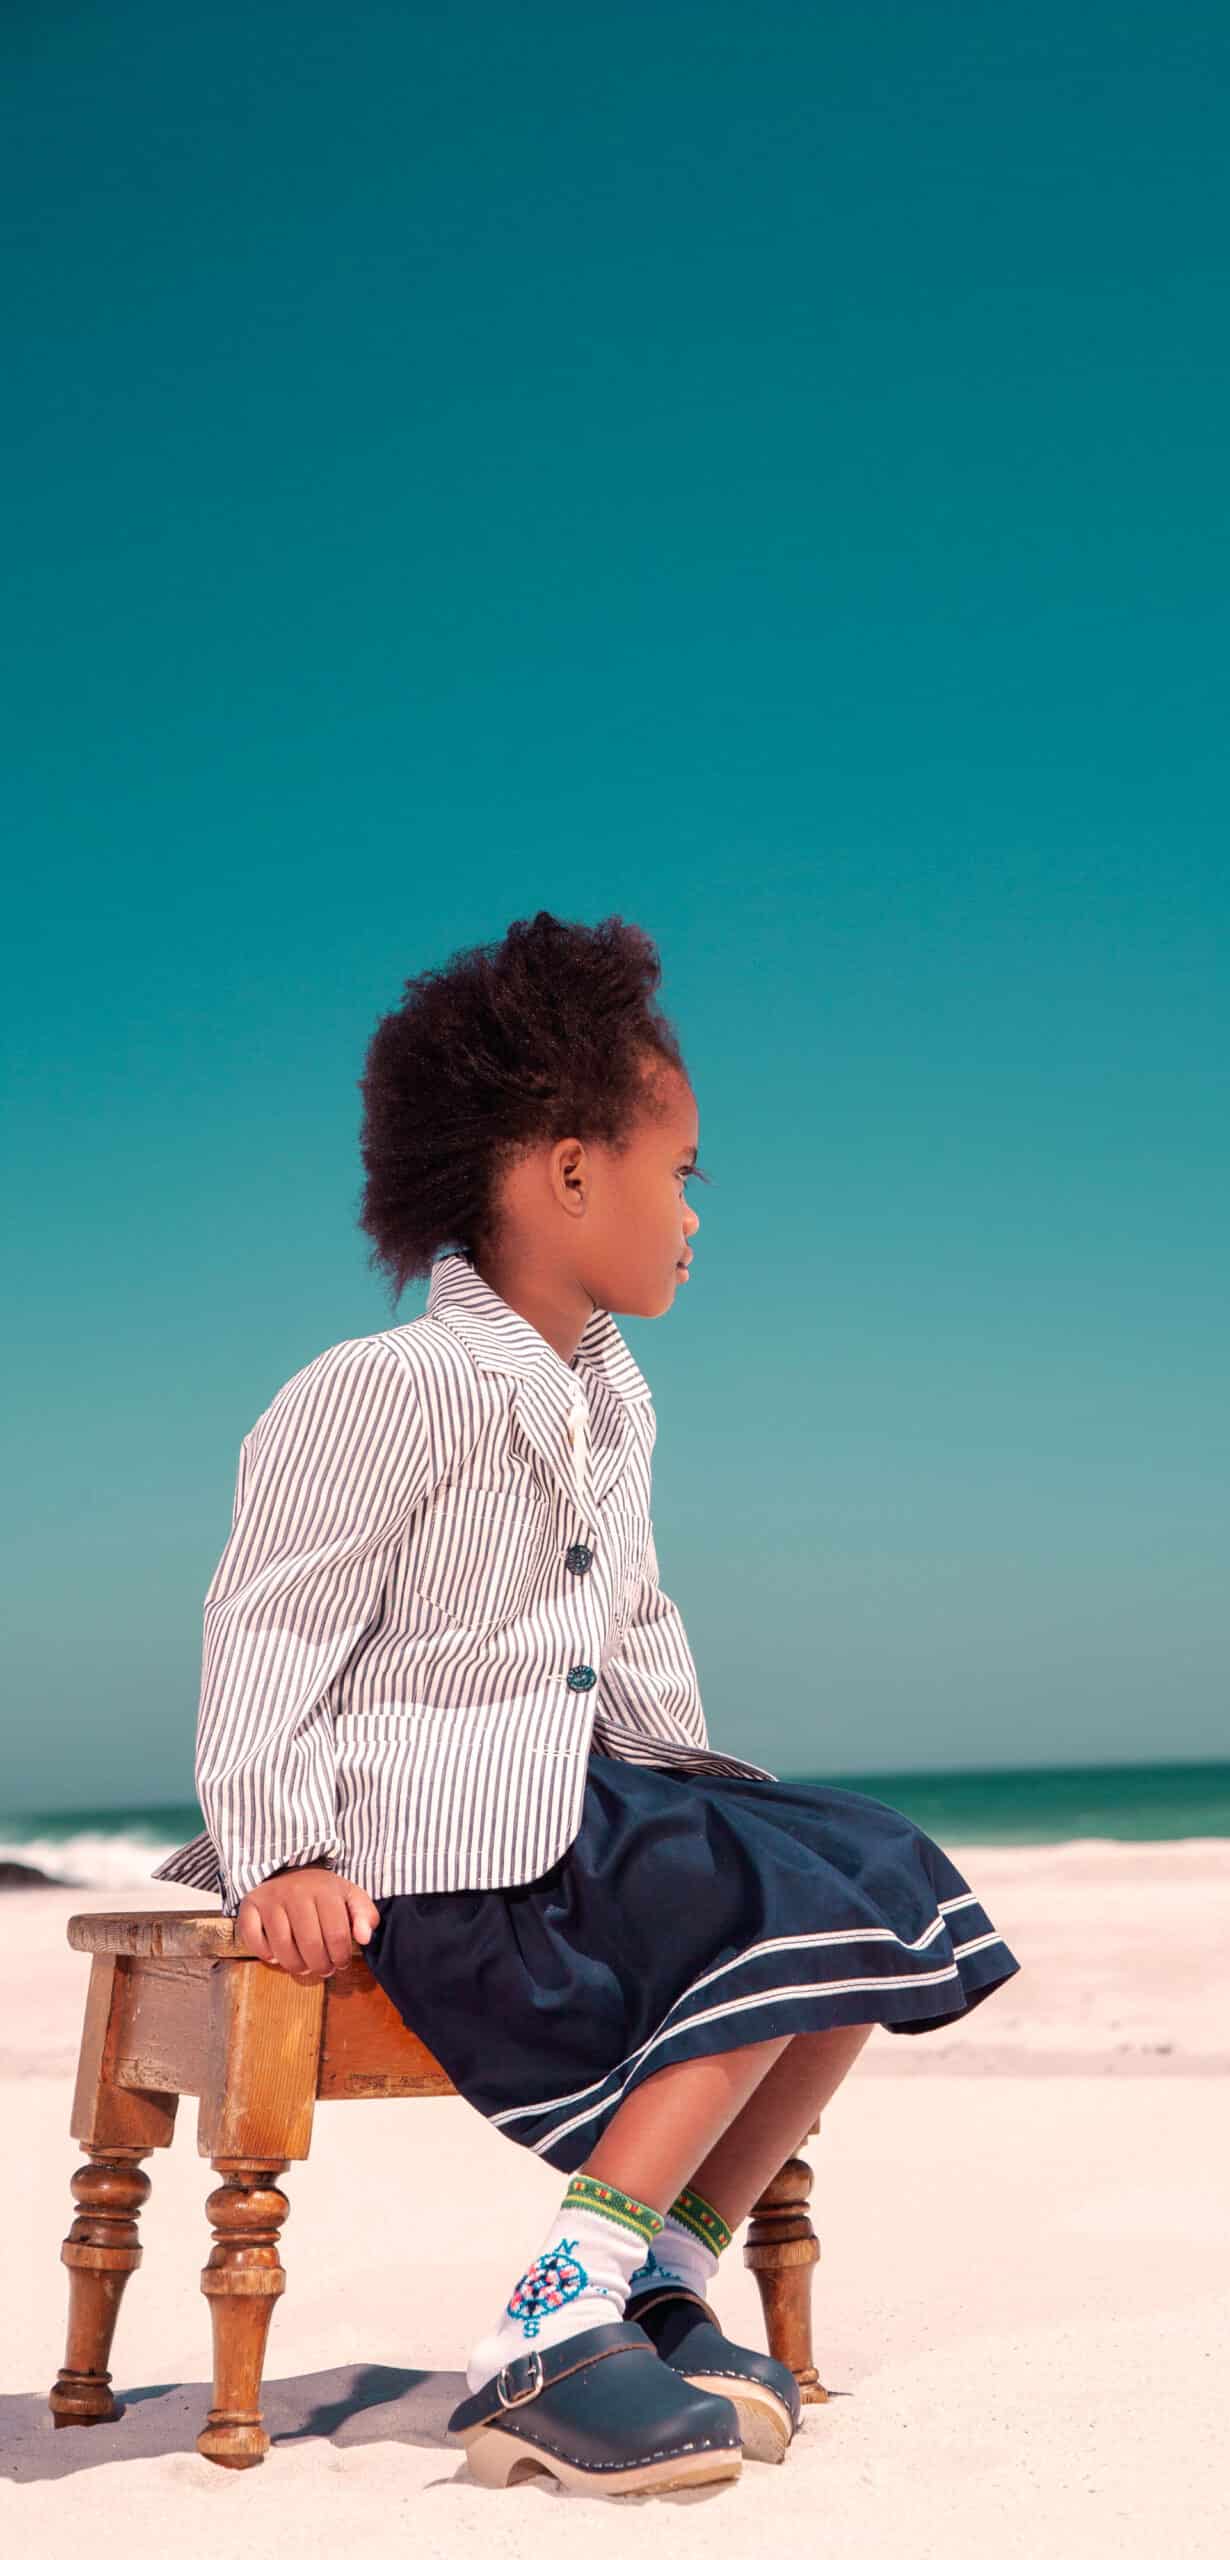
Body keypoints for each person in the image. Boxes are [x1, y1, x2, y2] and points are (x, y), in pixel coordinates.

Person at [150, 909, 1021, 2498]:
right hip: (442, 1839)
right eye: (680, 1172)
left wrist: (705, 1789)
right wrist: (276, 1851)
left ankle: (653, 2283)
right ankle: (550, 2327)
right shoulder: (384, 1387)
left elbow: (631, 1620)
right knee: (772, 1899)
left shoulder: (612, 1393)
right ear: (567, 1173)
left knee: (868, 1873)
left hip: (588, 1795)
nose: (696, 1213)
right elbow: (267, 1621)